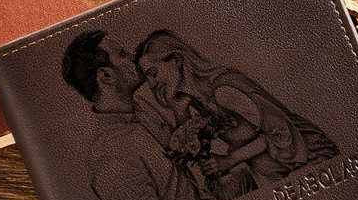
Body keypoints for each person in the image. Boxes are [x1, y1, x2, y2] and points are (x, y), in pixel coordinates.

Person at [135, 31, 339, 186]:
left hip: (312, 162)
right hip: (281, 174)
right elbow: (190, 150)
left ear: (177, 60)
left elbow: (280, 131)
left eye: (153, 73)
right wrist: (179, 112)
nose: (152, 84)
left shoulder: (223, 90)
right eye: (147, 78)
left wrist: (229, 160)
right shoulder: (198, 102)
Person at [61, 30, 211, 200]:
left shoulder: (139, 108)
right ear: (106, 76)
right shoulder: (109, 157)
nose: (134, 57)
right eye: (123, 54)